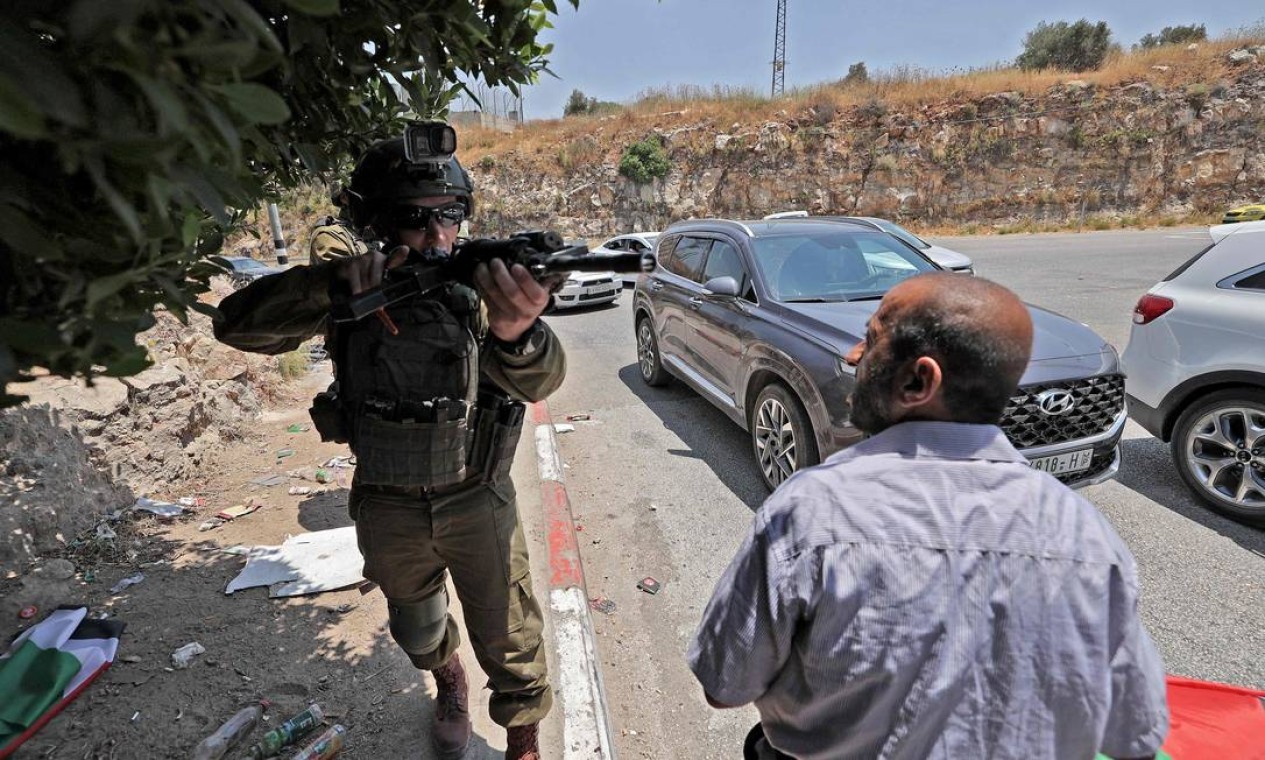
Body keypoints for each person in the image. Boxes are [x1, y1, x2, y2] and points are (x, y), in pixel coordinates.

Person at [688, 272, 1169, 759]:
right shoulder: (1085, 534)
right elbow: (1136, 735)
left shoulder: (809, 513)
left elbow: (723, 685)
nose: (855, 355)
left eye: (872, 340)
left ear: (919, 381)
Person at [213, 135, 563, 760]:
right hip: (388, 503)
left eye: (448, 214)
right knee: (419, 628)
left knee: (513, 639)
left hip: (477, 495)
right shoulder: (352, 289)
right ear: (375, 223)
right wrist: (329, 289)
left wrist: (520, 333)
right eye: (414, 216)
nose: (435, 234)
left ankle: (524, 740)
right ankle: (448, 683)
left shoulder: (482, 291)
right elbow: (236, 325)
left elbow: (540, 381)